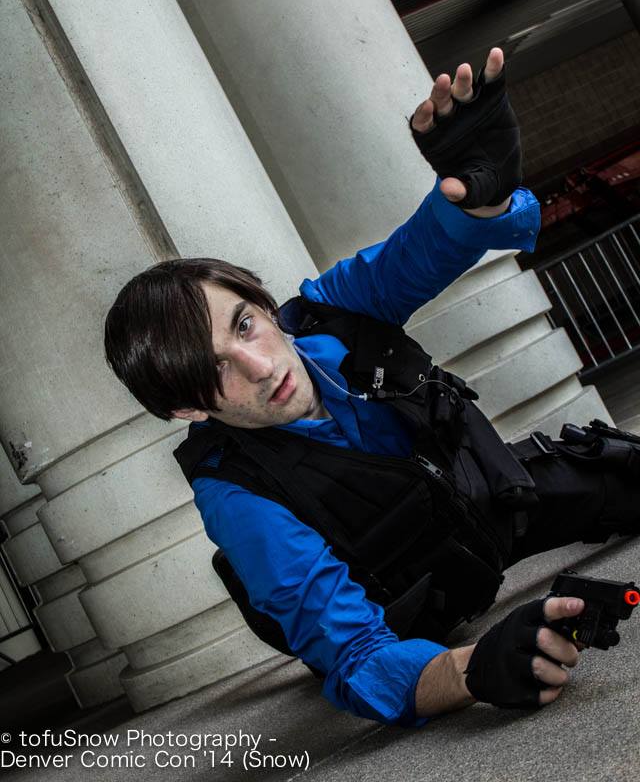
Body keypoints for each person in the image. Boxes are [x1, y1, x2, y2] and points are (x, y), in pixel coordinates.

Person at [104, 48, 640, 726]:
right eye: (213, 371)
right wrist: (469, 670)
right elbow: (357, 657)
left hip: (491, 504)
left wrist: (484, 201)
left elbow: (420, 250)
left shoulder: (332, 312)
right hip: (409, 597)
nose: (260, 367)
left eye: (245, 325)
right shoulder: (235, 494)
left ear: (264, 305)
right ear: (187, 408)